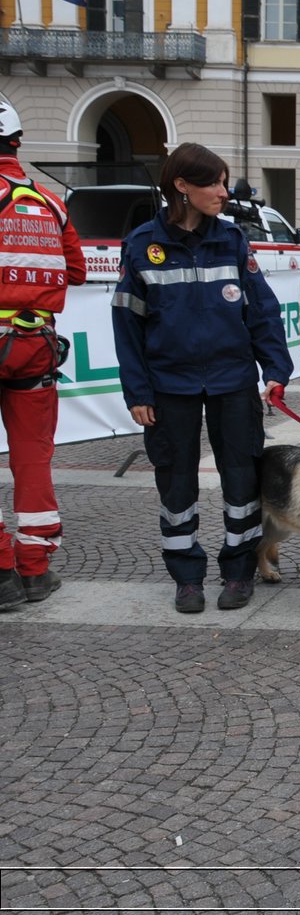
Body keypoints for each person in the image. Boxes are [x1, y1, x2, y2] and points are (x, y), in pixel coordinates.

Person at [111, 144, 292, 614]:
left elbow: (262, 310)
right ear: (181, 187)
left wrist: (275, 370)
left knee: (242, 480)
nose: (222, 191)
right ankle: (187, 577)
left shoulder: (231, 239)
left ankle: (238, 572)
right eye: (212, 183)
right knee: (176, 485)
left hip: (232, 381)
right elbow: (127, 329)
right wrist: (138, 392)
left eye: (223, 181)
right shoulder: (141, 246)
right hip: (169, 387)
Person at [0, 101, 85, 610]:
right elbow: (74, 271)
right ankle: (35, 569)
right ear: (17, 141)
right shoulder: (49, 203)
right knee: (33, 458)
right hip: (33, 347)